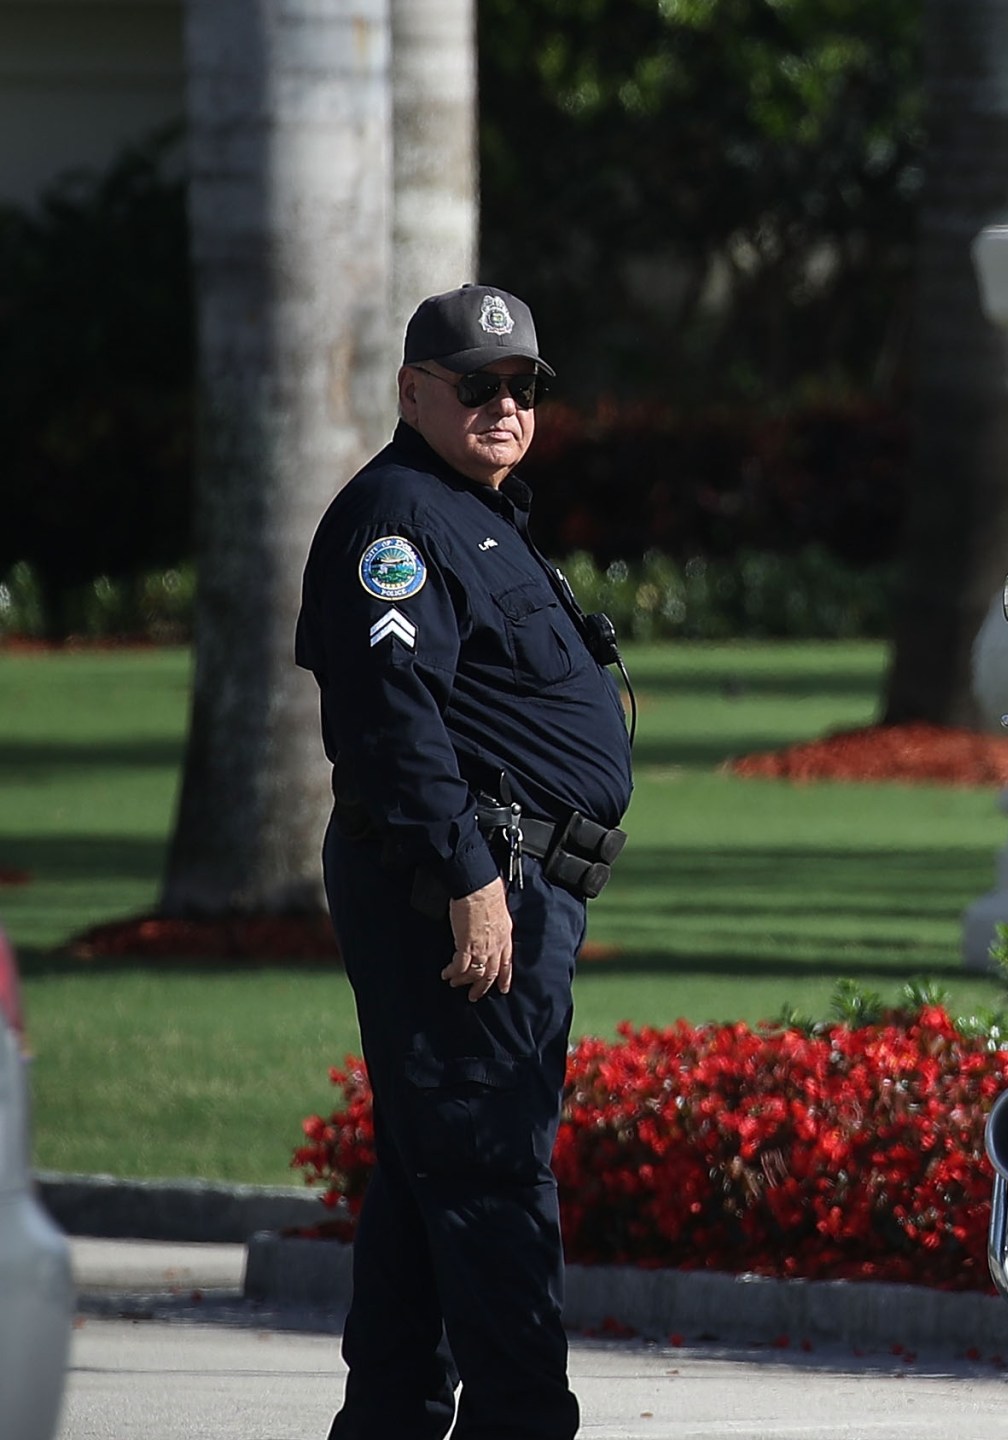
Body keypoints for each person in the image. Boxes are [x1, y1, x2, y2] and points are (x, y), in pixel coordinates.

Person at [295, 284, 632, 1440]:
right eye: (475, 385)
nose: (503, 405)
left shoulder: (473, 511)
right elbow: (392, 720)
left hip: (508, 880)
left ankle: (388, 1417)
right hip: (461, 886)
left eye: (522, 386)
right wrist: (467, 880)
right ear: (413, 392)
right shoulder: (398, 520)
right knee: (488, 1168)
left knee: (433, 1169)